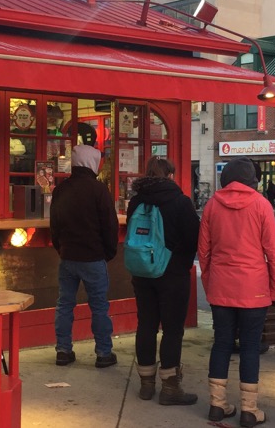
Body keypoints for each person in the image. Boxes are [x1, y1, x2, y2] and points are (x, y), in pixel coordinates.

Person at [198, 158, 275, 427]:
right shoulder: (261, 205)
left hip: (221, 287)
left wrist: (210, 284)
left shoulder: (212, 205)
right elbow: (273, 254)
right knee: (249, 347)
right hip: (253, 289)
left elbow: (204, 252)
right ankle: (249, 409)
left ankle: (217, 404)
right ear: (252, 180)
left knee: (221, 343)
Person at [126, 156, 200, 406]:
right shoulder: (180, 201)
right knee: (172, 330)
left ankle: (146, 384)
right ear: (170, 176)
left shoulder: (136, 201)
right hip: (172, 273)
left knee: (146, 325)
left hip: (142, 272)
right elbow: (193, 238)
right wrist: (180, 260)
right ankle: (170, 387)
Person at [49, 144, 119, 368]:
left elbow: (54, 226)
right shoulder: (99, 190)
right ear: (92, 162)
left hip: (67, 257)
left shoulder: (61, 190)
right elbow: (110, 225)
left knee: (64, 305)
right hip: (93, 257)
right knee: (99, 306)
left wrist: (61, 248)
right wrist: (108, 252)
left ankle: (63, 350)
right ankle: (103, 353)